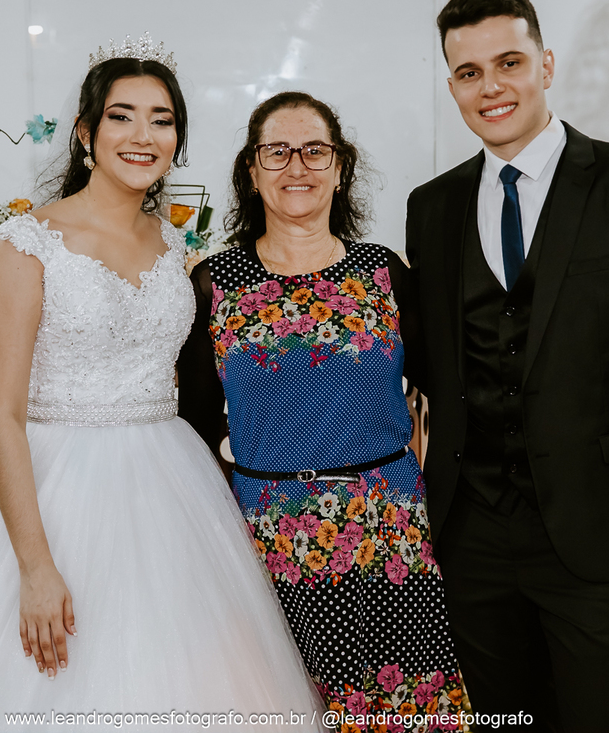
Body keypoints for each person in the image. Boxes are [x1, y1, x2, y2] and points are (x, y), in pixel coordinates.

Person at [0, 41, 323, 732]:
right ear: (87, 134)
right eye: (122, 116)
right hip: (59, 487)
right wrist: (35, 567)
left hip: (171, 488)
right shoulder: (25, 244)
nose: (143, 135)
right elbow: (1, 415)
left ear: (177, 141)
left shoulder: (174, 246)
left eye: (162, 120)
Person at [405, 0, 609, 731]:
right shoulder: (431, 207)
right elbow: (422, 368)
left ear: (545, 64)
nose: (491, 86)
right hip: (472, 537)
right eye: (469, 72)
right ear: (452, 87)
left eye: (508, 62)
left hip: (601, 535)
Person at [179, 91, 468, 732]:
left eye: (315, 150)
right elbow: (196, 423)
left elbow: (444, 391)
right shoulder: (214, 283)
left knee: (406, 712)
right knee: (292, 708)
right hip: (273, 538)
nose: (297, 166)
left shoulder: (384, 272)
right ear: (251, 171)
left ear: (340, 168)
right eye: (276, 152)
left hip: (390, 533)